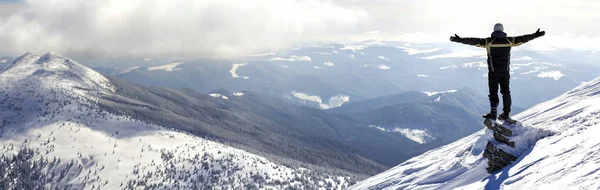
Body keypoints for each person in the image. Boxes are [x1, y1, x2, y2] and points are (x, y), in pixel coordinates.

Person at [449, 23, 545, 121]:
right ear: (502, 30)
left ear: (494, 30)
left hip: (493, 72)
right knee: (506, 92)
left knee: (493, 92)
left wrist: (459, 39)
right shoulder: (509, 41)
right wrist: (536, 35)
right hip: (505, 72)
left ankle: (493, 113)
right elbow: (524, 38)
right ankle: (506, 114)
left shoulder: (488, 42)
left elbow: (473, 41)